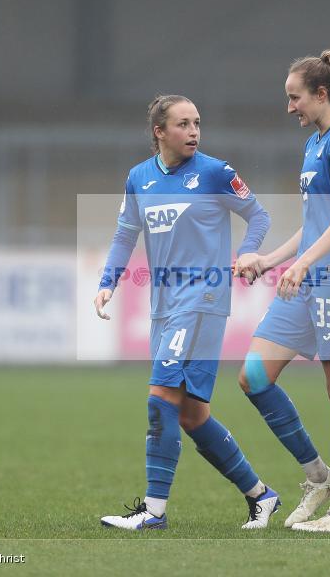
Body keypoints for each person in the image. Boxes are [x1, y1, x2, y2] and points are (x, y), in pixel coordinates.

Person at [97, 94, 280, 530]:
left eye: (197, 122)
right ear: (159, 132)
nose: (194, 131)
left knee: (160, 397)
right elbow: (125, 236)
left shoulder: (216, 173)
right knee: (192, 415)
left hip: (204, 300)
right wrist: (108, 282)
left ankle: (153, 512)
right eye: (183, 124)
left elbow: (258, 216)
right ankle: (261, 495)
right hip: (165, 304)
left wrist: (248, 251)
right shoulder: (139, 178)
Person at [233, 50, 330, 533]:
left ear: (321, 94)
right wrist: (270, 260)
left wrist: (305, 263)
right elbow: (317, 223)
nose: (289, 107)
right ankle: (318, 477)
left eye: (295, 97)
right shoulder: (316, 145)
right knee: (254, 376)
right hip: (310, 279)